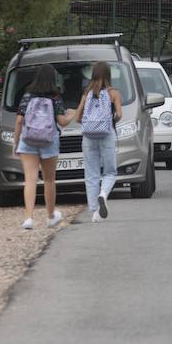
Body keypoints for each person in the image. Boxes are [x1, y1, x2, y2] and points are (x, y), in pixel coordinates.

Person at [13, 64, 78, 231]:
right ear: (52, 78)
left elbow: (19, 120)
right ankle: (50, 216)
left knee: (30, 179)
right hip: (49, 141)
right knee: (49, 180)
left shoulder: (27, 96)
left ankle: (28, 218)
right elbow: (62, 122)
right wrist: (71, 114)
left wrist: (16, 142)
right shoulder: (55, 97)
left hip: (28, 141)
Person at [76, 61, 122, 224]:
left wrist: (90, 122)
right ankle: (103, 193)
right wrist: (110, 118)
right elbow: (119, 115)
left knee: (91, 174)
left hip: (88, 137)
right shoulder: (113, 93)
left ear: (93, 74)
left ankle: (95, 212)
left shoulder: (86, 93)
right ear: (108, 74)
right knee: (110, 172)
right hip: (106, 134)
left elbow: (77, 117)